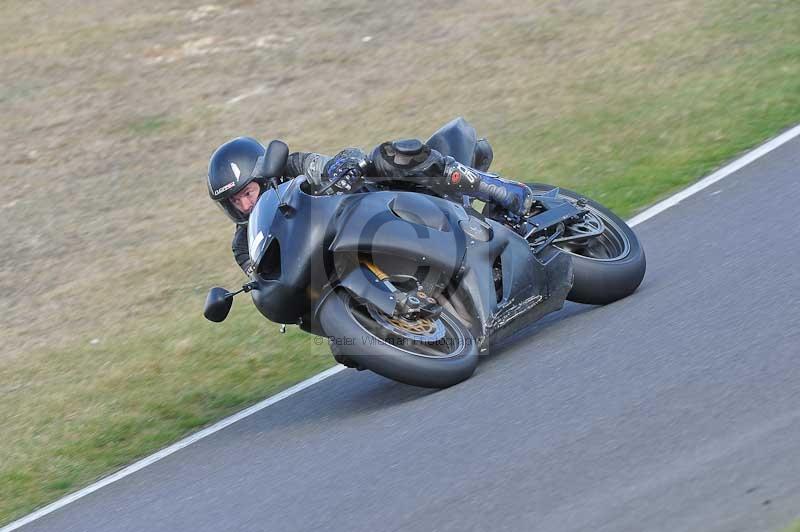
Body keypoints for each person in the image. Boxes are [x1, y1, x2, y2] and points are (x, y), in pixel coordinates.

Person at [207, 135, 534, 275]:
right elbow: (263, 277)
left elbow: (327, 164)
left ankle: (500, 190)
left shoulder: (291, 167)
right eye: (235, 201)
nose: (246, 205)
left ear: (263, 176)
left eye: (247, 193)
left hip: (378, 208)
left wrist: (343, 168)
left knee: (389, 156)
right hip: (344, 261)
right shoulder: (244, 244)